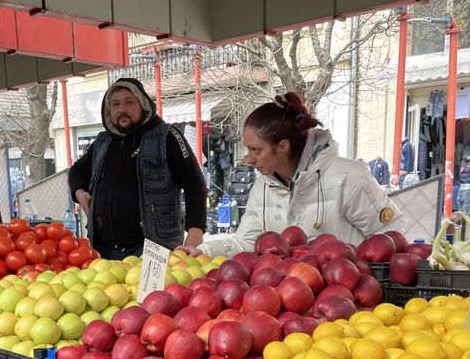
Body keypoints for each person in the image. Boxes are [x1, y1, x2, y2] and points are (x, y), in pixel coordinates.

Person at [180, 92, 400, 258]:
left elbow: (391, 237)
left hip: (349, 306)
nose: (249, 159)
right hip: (287, 305)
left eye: (256, 150)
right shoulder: (263, 188)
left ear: (283, 147)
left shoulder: (348, 178)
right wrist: (205, 250)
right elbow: (246, 243)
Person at [68, 78, 207, 259]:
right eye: (115, 104)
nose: (122, 109)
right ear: (109, 110)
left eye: (129, 102)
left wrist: (195, 233)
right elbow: (76, 171)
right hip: (104, 251)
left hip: (154, 248)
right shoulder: (102, 143)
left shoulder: (167, 136)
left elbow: (194, 183)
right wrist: (79, 191)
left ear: (143, 105)